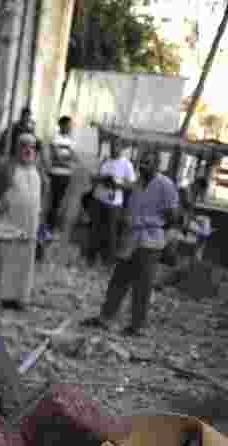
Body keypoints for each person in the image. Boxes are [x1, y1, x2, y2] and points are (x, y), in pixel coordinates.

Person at [83, 151, 178, 336]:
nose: (143, 166)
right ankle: (105, 317)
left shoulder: (165, 185)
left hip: (151, 241)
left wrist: (155, 224)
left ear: (157, 165)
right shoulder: (138, 183)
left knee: (143, 285)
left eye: (148, 163)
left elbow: (173, 216)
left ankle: (137, 326)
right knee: (118, 279)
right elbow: (126, 195)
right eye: (142, 162)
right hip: (132, 238)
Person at [0, 132, 44, 307]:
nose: (28, 150)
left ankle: (17, 297)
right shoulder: (7, 167)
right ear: (17, 147)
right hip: (6, 220)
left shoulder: (37, 171)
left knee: (23, 258)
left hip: (28, 224)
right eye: (24, 145)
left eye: (32, 146)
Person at [86, 141, 136, 266]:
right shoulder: (105, 161)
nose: (114, 149)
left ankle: (108, 260)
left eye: (117, 146)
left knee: (110, 232)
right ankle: (91, 257)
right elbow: (93, 177)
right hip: (98, 199)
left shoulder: (126, 164)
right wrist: (102, 179)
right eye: (112, 146)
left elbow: (132, 185)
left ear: (122, 148)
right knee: (95, 228)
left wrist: (117, 184)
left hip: (114, 203)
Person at [44, 115, 78, 233]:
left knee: (60, 201)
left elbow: (74, 157)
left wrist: (67, 159)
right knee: (52, 200)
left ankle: (54, 225)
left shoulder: (70, 140)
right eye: (68, 125)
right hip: (56, 174)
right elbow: (57, 157)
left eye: (70, 126)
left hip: (66, 175)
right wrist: (67, 160)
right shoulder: (55, 138)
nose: (70, 128)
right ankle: (48, 226)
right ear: (61, 125)